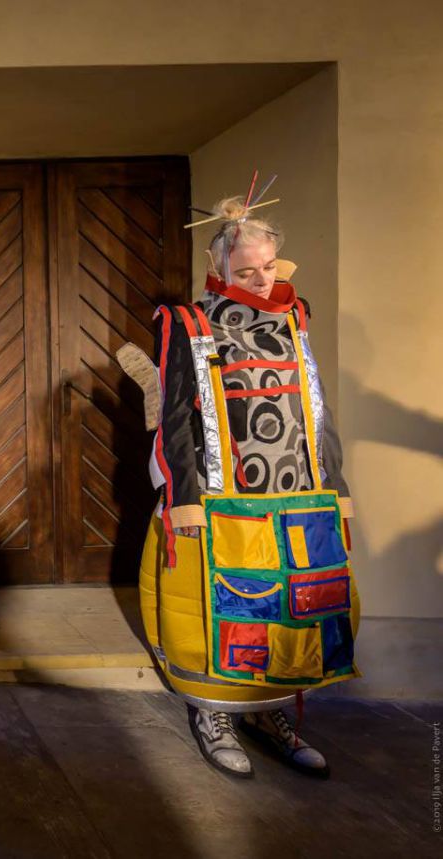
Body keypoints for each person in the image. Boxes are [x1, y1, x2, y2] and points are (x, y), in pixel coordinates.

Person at [127, 188, 358, 779]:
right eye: (247, 271)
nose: (260, 280)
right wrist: (184, 499)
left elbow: (316, 405)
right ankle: (215, 713)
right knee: (223, 606)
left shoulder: (294, 318)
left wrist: (336, 486)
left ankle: (268, 711)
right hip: (221, 494)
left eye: (268, 268)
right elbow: (176, 416)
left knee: (284, 610)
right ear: (219, 268)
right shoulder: (189, 323)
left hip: (295, 491)